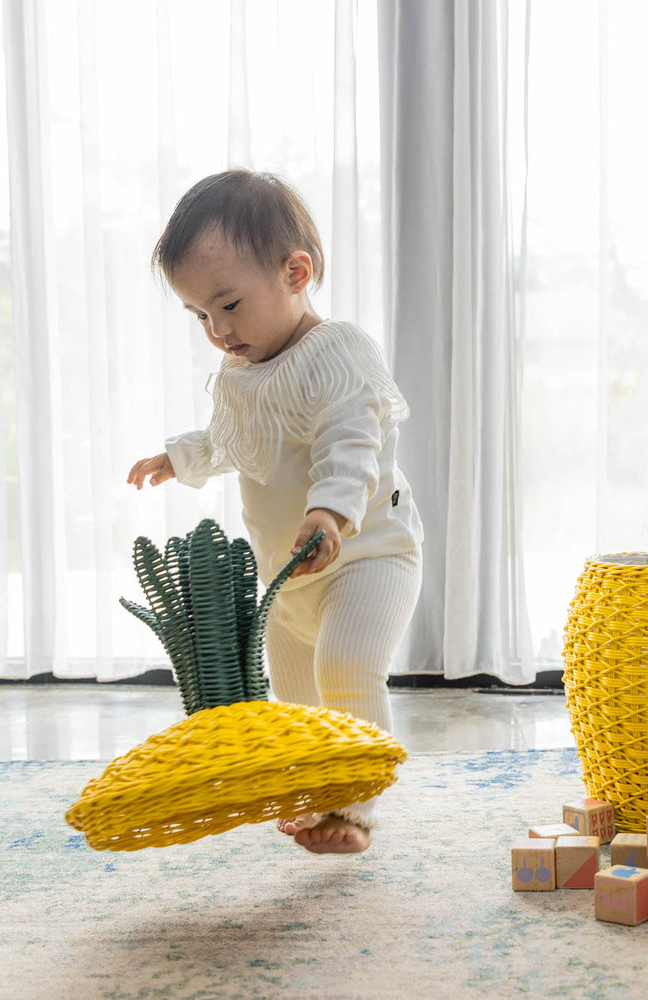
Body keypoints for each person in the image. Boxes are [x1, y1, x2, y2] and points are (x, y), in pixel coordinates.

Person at [128, 169, 423, 854]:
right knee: (295, 698)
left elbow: (353, 439)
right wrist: (181, 457)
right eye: (200, 315)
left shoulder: (339, 352)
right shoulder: (242, 369)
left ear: (296, 272)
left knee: (347, 666)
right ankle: (320, 799)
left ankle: (355, 808)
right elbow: (235, 440)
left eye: (228, 304)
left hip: (366, 553)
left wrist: (330, 513)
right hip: (288, 575)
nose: (217, 330)